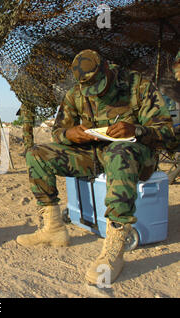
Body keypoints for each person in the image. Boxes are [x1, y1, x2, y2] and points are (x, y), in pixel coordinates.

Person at [17, 49, 177, 285]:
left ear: (106, 68)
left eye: (100, 85)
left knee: (118, 153)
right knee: (37, 154)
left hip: (137, 154)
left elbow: (168, 134)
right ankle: (53, 228)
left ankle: (114, 248)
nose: (96, 93)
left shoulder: (138, 85)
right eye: (89, 88)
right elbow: (58, 131)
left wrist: (137, 130)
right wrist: (70, 134)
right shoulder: (76, 93)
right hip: (94, 152)